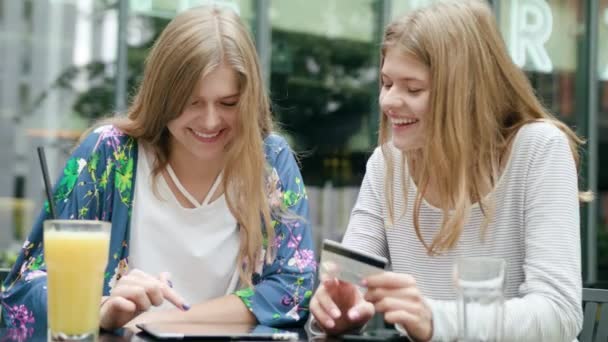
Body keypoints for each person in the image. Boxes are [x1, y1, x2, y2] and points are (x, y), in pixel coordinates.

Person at [1, 5, 315, 334]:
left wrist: (158, 321)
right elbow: (24, 290)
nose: (210, 121)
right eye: (192, 102)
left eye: (228, 103)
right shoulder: (107, 155)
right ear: (162, 96)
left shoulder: (270, 162)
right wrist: (102, 309)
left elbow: (292, 290)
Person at [309, 1, 588, 341]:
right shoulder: (387, 164)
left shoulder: (539, 149)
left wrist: (436, 320)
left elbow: (559, 313)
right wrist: (338, 309)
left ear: (465, 94)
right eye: (386, 83)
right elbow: (350, 281)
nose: (388, 102)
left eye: (413, 89)